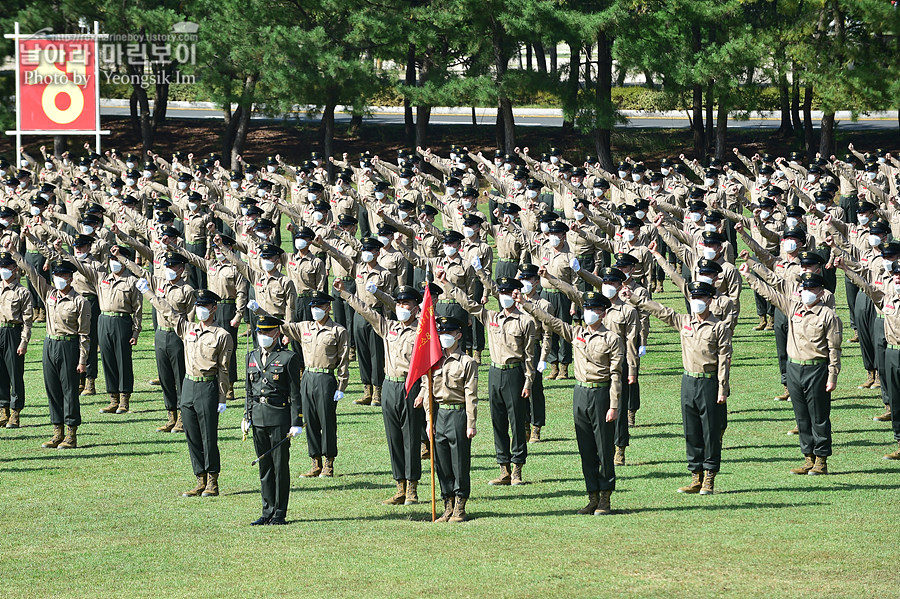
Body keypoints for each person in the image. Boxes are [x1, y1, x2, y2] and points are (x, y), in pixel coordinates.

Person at [623, 281, 732, 494]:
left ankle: (709, 477)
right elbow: (661, 311)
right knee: (691, 431)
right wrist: (634, 298)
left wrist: (722, 389)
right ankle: (695, 476)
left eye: (701, 298)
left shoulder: (719, 327)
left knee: (710, 431)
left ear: (710, 300)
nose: (696, 302)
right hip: (688, 381)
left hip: (709, 382)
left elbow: (724, 360)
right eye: (694, 298)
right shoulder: (684, 321)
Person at [518, 290, 621, 515]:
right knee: (585, 449)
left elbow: (616, 374)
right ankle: (592, 496)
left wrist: (614, 405)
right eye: (588, 309)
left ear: (603, 313)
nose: (590, 313)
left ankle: (605, 498)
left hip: (601, 394)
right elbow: (551, 321)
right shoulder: (576, 332)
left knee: (604, 449)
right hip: (580, 393)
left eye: (595, 310)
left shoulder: (611, 339)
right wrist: (526, 304)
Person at [741, 268, 841, 475]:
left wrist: (833, 376)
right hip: (794, 368)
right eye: (804, 288)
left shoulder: (828, 315)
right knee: (801, 417)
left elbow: (834, 349)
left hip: (817, 369)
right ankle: (808, 457)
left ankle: (821, 460)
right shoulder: (794, 307)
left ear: (821, 292)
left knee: (819, 417)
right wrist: (749, 276)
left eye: (811, 289)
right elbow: (770, 294)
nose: (807, 292)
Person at [139, 284, 234, 497]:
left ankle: (212, 481)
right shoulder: (188, 328)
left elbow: (224, 370)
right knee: (191, 435)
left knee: (208, 436)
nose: (201, 309)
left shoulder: (222, 335)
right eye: (198, 305)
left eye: (205, 306)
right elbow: (168, 312)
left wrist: (222, 397)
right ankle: (199, 478)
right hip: (188, 385)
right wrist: (148, 293)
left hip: (208, 386)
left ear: (213, 308)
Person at [335, 279, 425, 505]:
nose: (403, 307)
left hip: (411, 386)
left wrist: (423, 391)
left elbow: (427, 366)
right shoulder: (390, 328)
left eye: (408, 304)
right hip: (389, 386)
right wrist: (346, 294)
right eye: (400, 303)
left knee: (410, 438)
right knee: (394, 438)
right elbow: (366, 311)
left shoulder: (422, 332)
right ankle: (399, 487)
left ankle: (412, 487)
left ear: (416, 307)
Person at [442, 272, 536, 485]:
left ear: (516, 294)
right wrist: (448, 284)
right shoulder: (492, 317)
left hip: (514, 373)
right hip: (494, 373)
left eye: (508, 292)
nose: (504, 296)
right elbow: (469, 304)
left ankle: (517, 469)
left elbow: (530, 355)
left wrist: (528, 381)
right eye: (501, 292)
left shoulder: (525, 321)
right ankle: (503, 468)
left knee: (517, 422)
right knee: (498, 422)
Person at [266, 291, 350, 478]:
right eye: (313, 307)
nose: (315, 310)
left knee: (327, 421)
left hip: (326, 378)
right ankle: (315, 461)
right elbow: (282, 325)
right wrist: (260, 311)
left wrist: (341, 386)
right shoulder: (305, 327)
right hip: (308, 378)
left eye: (319, 307)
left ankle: (329, 462)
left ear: (328, 308)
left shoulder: (338, 331)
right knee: (310, 421)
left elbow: (344, 360)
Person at [13, 255, 90, 449]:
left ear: (71, 278)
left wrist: (82, 360)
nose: (59, 278)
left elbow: (84, 334)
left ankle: (71, 434)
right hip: (50, 344)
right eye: (56, 275)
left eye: (63, 275)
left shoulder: (80, 301)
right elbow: (32, 274)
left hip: (69, 346)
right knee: (52, 389)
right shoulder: (50, 294)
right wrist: (14, 253)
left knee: (69, 391)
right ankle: (57, 432)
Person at [119, 250, 196, 432]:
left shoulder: (187, 290)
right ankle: (171, 415)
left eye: (172, 266)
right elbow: (141, 272)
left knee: (180, 376)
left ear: (181, 269)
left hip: (178, 335)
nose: (168, 269)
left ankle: (183, 417)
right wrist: (122, 258)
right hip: (161, 334)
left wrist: (189, 340)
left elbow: (191, 319)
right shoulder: (160, 283)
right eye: (167, 266)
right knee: (165, 377)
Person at [242, 315, 304, 525]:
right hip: (258, 417)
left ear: (277, 333)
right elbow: (249, 390)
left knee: (279, 467)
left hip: (279, 417)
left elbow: (296, 393)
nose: (263, 336)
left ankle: (279, 513)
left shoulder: (288, 358)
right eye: (260, 332)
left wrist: (296, 421)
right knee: (264, 467)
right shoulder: (251, 356)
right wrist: (246, 416)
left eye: (267, 332)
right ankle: (266, 510)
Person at [419, 316, 478, 523]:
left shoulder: (467, 362)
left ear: (458, 336)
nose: (444, 337)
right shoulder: (434, 360)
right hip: (440, 415)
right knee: (442, 462)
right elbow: (428, 391)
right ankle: (448, 503)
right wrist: (429, 420)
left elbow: (471, 395)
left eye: (449, 333)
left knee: (459, 461)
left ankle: (460, 504)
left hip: (458, 413)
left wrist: (471, 424)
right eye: (441, 333)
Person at [79, 245, 143, 414]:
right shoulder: (103, 278)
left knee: (123, 361)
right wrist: (64, 253)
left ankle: (124, 400)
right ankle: (113, 398)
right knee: (107, 361)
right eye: (112, 259)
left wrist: (136, 332)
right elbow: (81, 267)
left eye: (118, 259)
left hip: (122, 322)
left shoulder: (132, 281)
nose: (114, 262)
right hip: (104, 320)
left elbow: (137, 309)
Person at [0, 252, 33, 429]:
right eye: (1, 267)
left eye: (7, 267)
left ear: (14, 269)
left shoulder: (22, 292)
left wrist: (24, 341)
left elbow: (28, 319)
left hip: (13, 333)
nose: (3, 270)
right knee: (1, 374)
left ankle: (15, 412)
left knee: (15, 374)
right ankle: (3, 409)